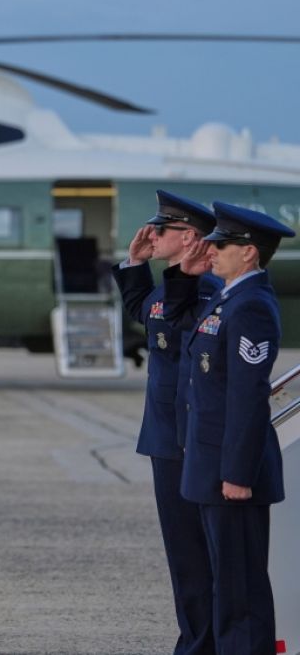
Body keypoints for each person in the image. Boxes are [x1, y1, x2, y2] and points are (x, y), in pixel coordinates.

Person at [174, 201, 292, 655]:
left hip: (232, 473)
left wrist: (238, 473)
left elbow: (247, 396)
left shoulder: (251, 306)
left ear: (249, 252)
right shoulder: (226, 299)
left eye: (221, 244)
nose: (211, 249)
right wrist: (185, 275)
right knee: (225, 585)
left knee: (241, 590)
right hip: (212, 464)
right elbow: (178, 325)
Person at [111, 190, 217, 655]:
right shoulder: (170, 288)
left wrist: (174, 278)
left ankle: (202, 643)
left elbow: (177, 318)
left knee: (197, 553)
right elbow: (149, 314)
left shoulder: (203, 290)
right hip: (165, 437)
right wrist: (135, 265)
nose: (151, 234)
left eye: (161, 229)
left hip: (188, 438)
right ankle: (195, 640)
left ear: (189, 237)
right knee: (183, 554)